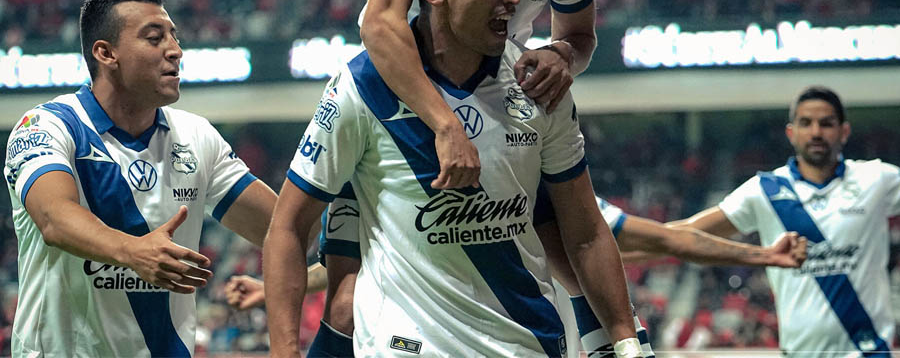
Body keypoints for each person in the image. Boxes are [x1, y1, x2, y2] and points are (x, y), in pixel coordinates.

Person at [314, 0, 615, 357]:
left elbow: (579, 37)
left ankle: (614, 341)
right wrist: (443, 123)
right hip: (398, 96)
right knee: (347, 298)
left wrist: (561, 58)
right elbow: (379, 22)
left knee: (570, 233)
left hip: (501, 92)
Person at [264, 0, 642, 358]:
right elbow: (288, 226)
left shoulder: (537, 84)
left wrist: (627, 343)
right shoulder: (362, 86)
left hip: (529, 344)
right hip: (407, 346)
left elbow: (585, 232)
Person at [4, 0, 278, 357]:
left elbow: (284, 229)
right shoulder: (45, 126)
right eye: (154, 38)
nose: (176, 51)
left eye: (173, 37)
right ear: (106, 53)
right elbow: (55, 219)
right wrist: (133, 252)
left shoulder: (196, 135)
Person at [230, 194, 807, 355]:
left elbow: (668, 238)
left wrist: (762, 256)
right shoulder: (424, 204)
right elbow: (356, 262)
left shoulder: (555, 203)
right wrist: (269, 289)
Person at [670, 85, 899, 357]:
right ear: (791, 132)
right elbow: (684, 234)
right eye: (806, 123)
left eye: (826, 124)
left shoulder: (877, 178)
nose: (816, 132)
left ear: (844, 131)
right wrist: (620, 242)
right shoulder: (764, 189)